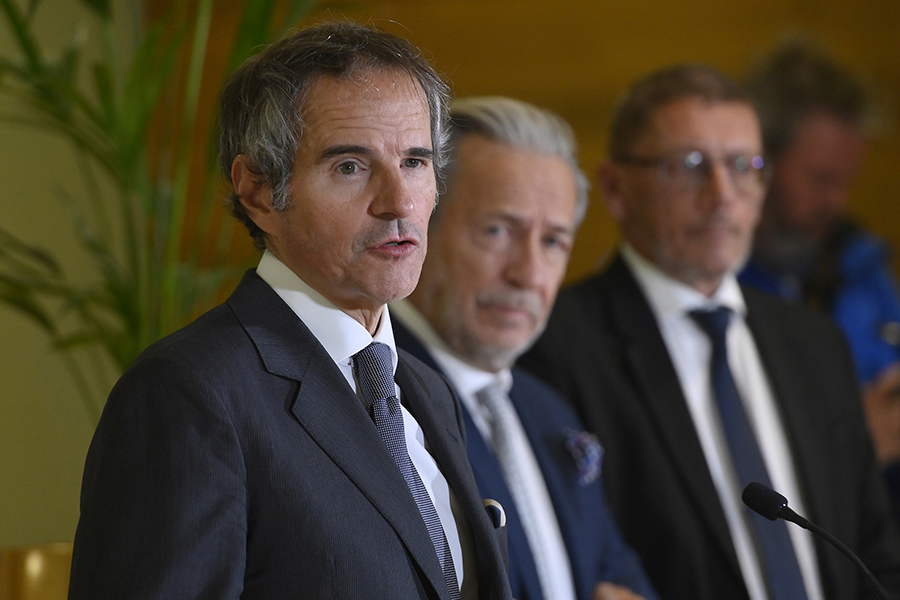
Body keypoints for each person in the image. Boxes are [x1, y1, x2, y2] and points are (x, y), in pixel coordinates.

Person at [67, 22, 511, 600]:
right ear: (258, 191)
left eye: (415, 162)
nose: (398, 202)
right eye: (350, 166)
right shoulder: (189, 395)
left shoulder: (426, 390)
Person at [519, 64, 900, 600]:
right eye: (690, 166)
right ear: (615, 187)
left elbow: (875, 554)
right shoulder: (554, 347)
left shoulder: (814, 343)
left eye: (744, 166)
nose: (722, 194)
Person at [391, 96, 658, 600]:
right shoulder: (374, 399)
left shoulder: (547, 411)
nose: (529, 274)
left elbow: (620, 577)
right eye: (497, 231)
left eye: (554, 241)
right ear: (421, 224)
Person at [736, 39, 900, 508]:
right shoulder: (714, 292)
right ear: (759, 162)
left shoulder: (862, 264)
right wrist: (855, 444)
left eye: (848, 182)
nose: (840, 202)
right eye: (822, 179)